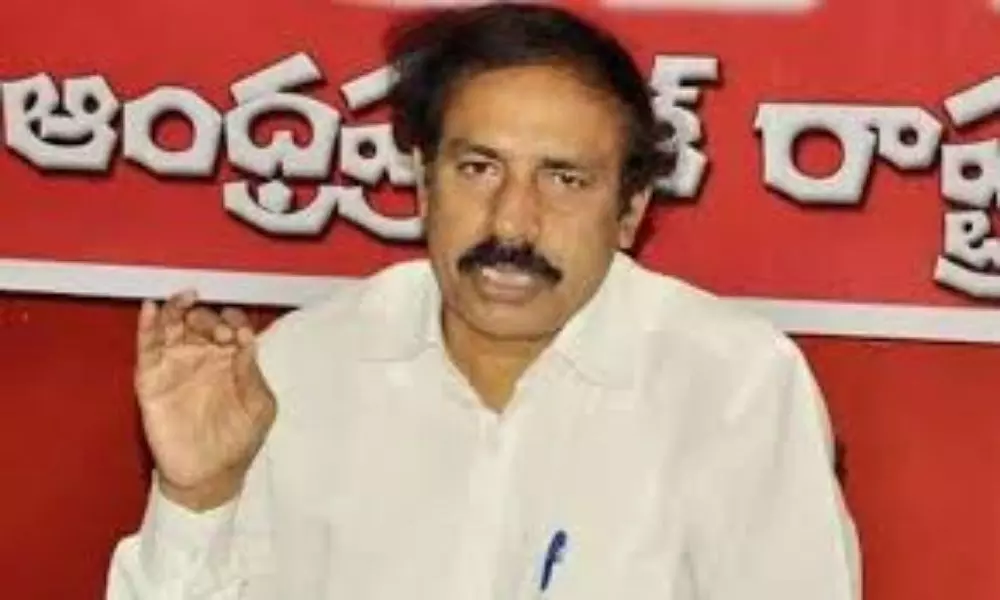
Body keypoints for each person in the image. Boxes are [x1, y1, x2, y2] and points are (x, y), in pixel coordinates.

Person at [106, 3, 860, 598]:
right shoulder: (299, 369)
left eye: (564, 179)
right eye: (478, 168)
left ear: (630, 211)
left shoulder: (735, 388)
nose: (511, 224)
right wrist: (198, 498)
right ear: (421, 180)